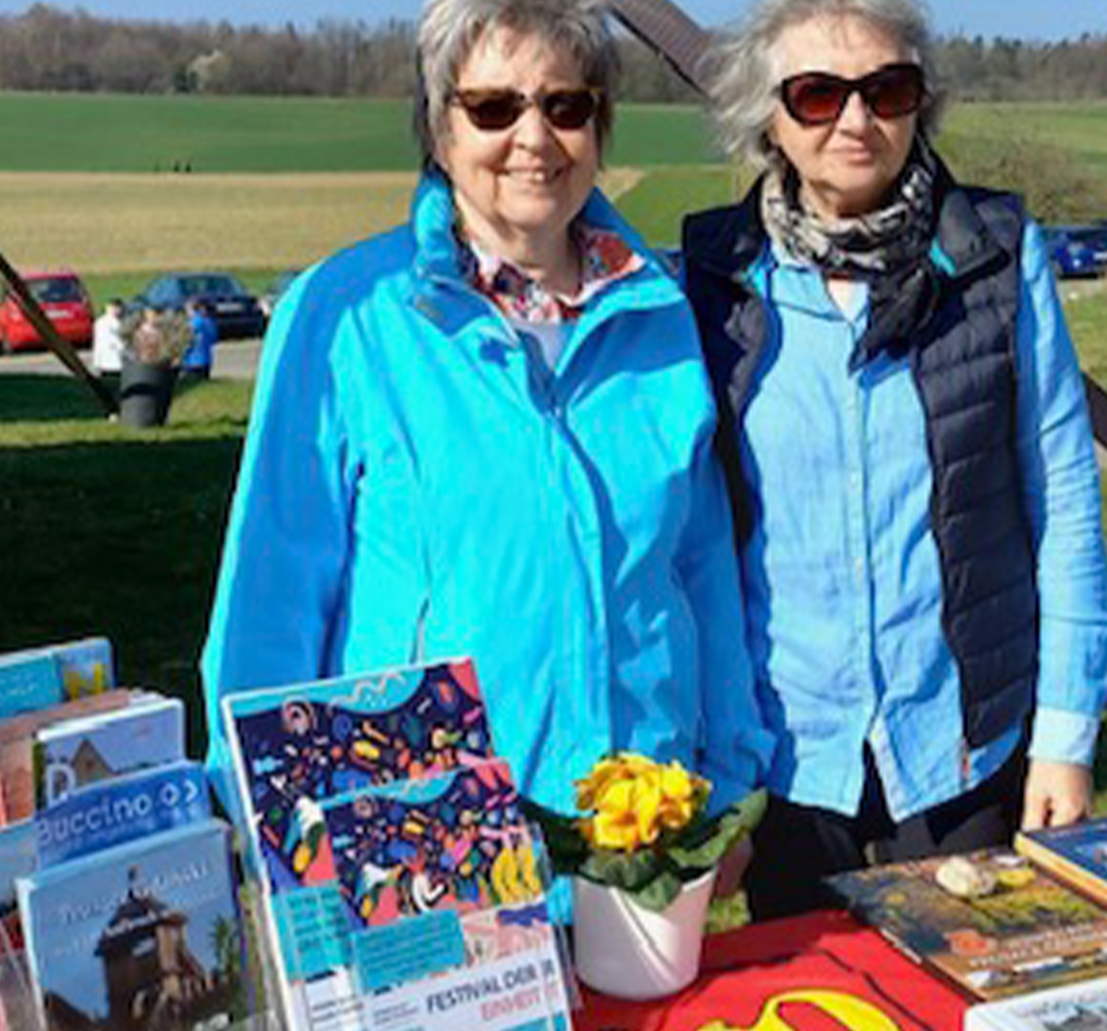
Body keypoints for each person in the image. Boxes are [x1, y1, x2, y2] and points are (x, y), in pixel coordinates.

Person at [200, 0, 768, 825]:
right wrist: (263, 821)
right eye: (495, 108)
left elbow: (701, 570)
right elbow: (273, 597)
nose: (534, 139)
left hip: (639, 831)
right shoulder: (346, 316)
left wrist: (730, 775)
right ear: (439, 130)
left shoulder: (662, 314)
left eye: (565, 106)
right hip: (429, 841)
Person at [683, 0, 1107, 919]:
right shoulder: (713, 282)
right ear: (768, 116)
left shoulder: (999, 257)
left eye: (887, 89)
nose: (855, 119)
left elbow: (1066, 502)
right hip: (790, 745)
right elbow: (694, 538)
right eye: (815, 94)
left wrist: (1067, 737)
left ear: (922, 104)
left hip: (963, 737)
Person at [181, 299, 216, 379]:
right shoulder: (209, 321)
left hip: (192, 361)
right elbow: (213, 339)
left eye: (187, 310)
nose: (186, 313)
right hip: (206, 359)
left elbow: (186, 340)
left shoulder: (194, 323)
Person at [91, 299, 126, 375]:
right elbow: (115, 342)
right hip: (114, 362)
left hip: (106, 362)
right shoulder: (109, 322)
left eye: (119, 308)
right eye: (115, 308)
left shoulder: (100, 322)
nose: (118, 311)